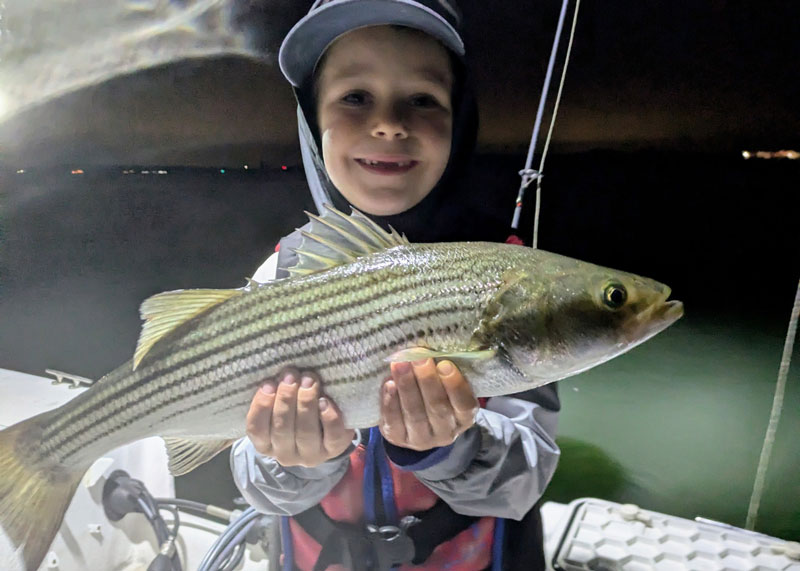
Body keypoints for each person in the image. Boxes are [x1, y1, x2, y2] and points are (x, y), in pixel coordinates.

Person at [230, 1, 561, 569]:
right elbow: (255, 484)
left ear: (461, 118)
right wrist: (298, 460)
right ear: (313, 120)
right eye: (355, 97)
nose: (389, 124)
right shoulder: (280, 275)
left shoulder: (512, 282)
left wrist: (451, 448)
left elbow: (526, 481)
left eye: (423, 99)